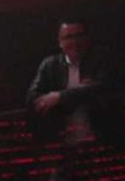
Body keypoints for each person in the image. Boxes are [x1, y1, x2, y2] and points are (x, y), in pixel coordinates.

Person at [26, 18, 117, 148]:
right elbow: (32, 98)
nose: (74, 42)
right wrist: (80, 92)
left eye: (79, 36)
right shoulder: (50, 65)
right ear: (60, 42)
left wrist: (60, 97)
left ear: (87, 38)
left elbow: (104, 87)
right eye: (68, 37)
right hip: (62, 142)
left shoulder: (102, 58)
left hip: (102, 139)